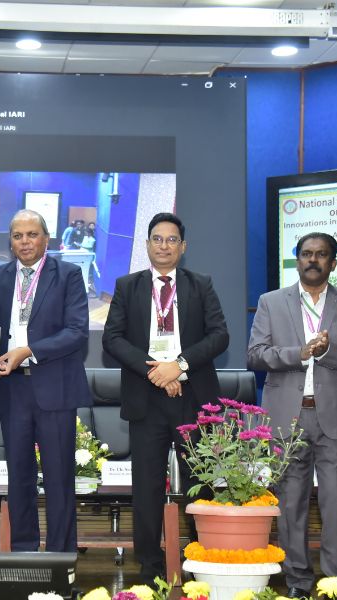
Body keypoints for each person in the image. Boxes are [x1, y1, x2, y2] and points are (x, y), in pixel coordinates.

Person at [102, 213, 230, 583]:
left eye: (172, 240)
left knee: (200, 484)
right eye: (157, 239)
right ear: (147, 245)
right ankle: (149, 569)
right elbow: (112, 339)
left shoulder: (201, 284)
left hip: (194, 399)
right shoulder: (128, 286)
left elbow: (219, 335)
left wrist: (179, 366)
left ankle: (201, 562)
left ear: (183, 247)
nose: (164, 246)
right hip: (146, 399)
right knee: (146, 488)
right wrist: (156, 372)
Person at [248, 232, 337, 597]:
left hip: (334, 417)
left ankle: (334, 582)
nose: (312, 260)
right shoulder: (271, 302)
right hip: (288, 416)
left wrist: (329, 351)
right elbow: (255, 355)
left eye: (321, 254)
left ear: (333, 263)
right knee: (290, 504)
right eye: (306, 254)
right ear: (297, 260)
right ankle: (298, 580)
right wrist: (298, 353)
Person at [0, 209, 91, 552]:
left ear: (46, 239)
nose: (25, 241)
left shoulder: (68, 274)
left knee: (59, 479)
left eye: (32, 234)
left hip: (54, 387)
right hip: (12, 389)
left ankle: (61, 559)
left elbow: (77, 331)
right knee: (19, 478)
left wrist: (29, 350)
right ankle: (23, 556)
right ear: (10, 242)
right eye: (18, 236)